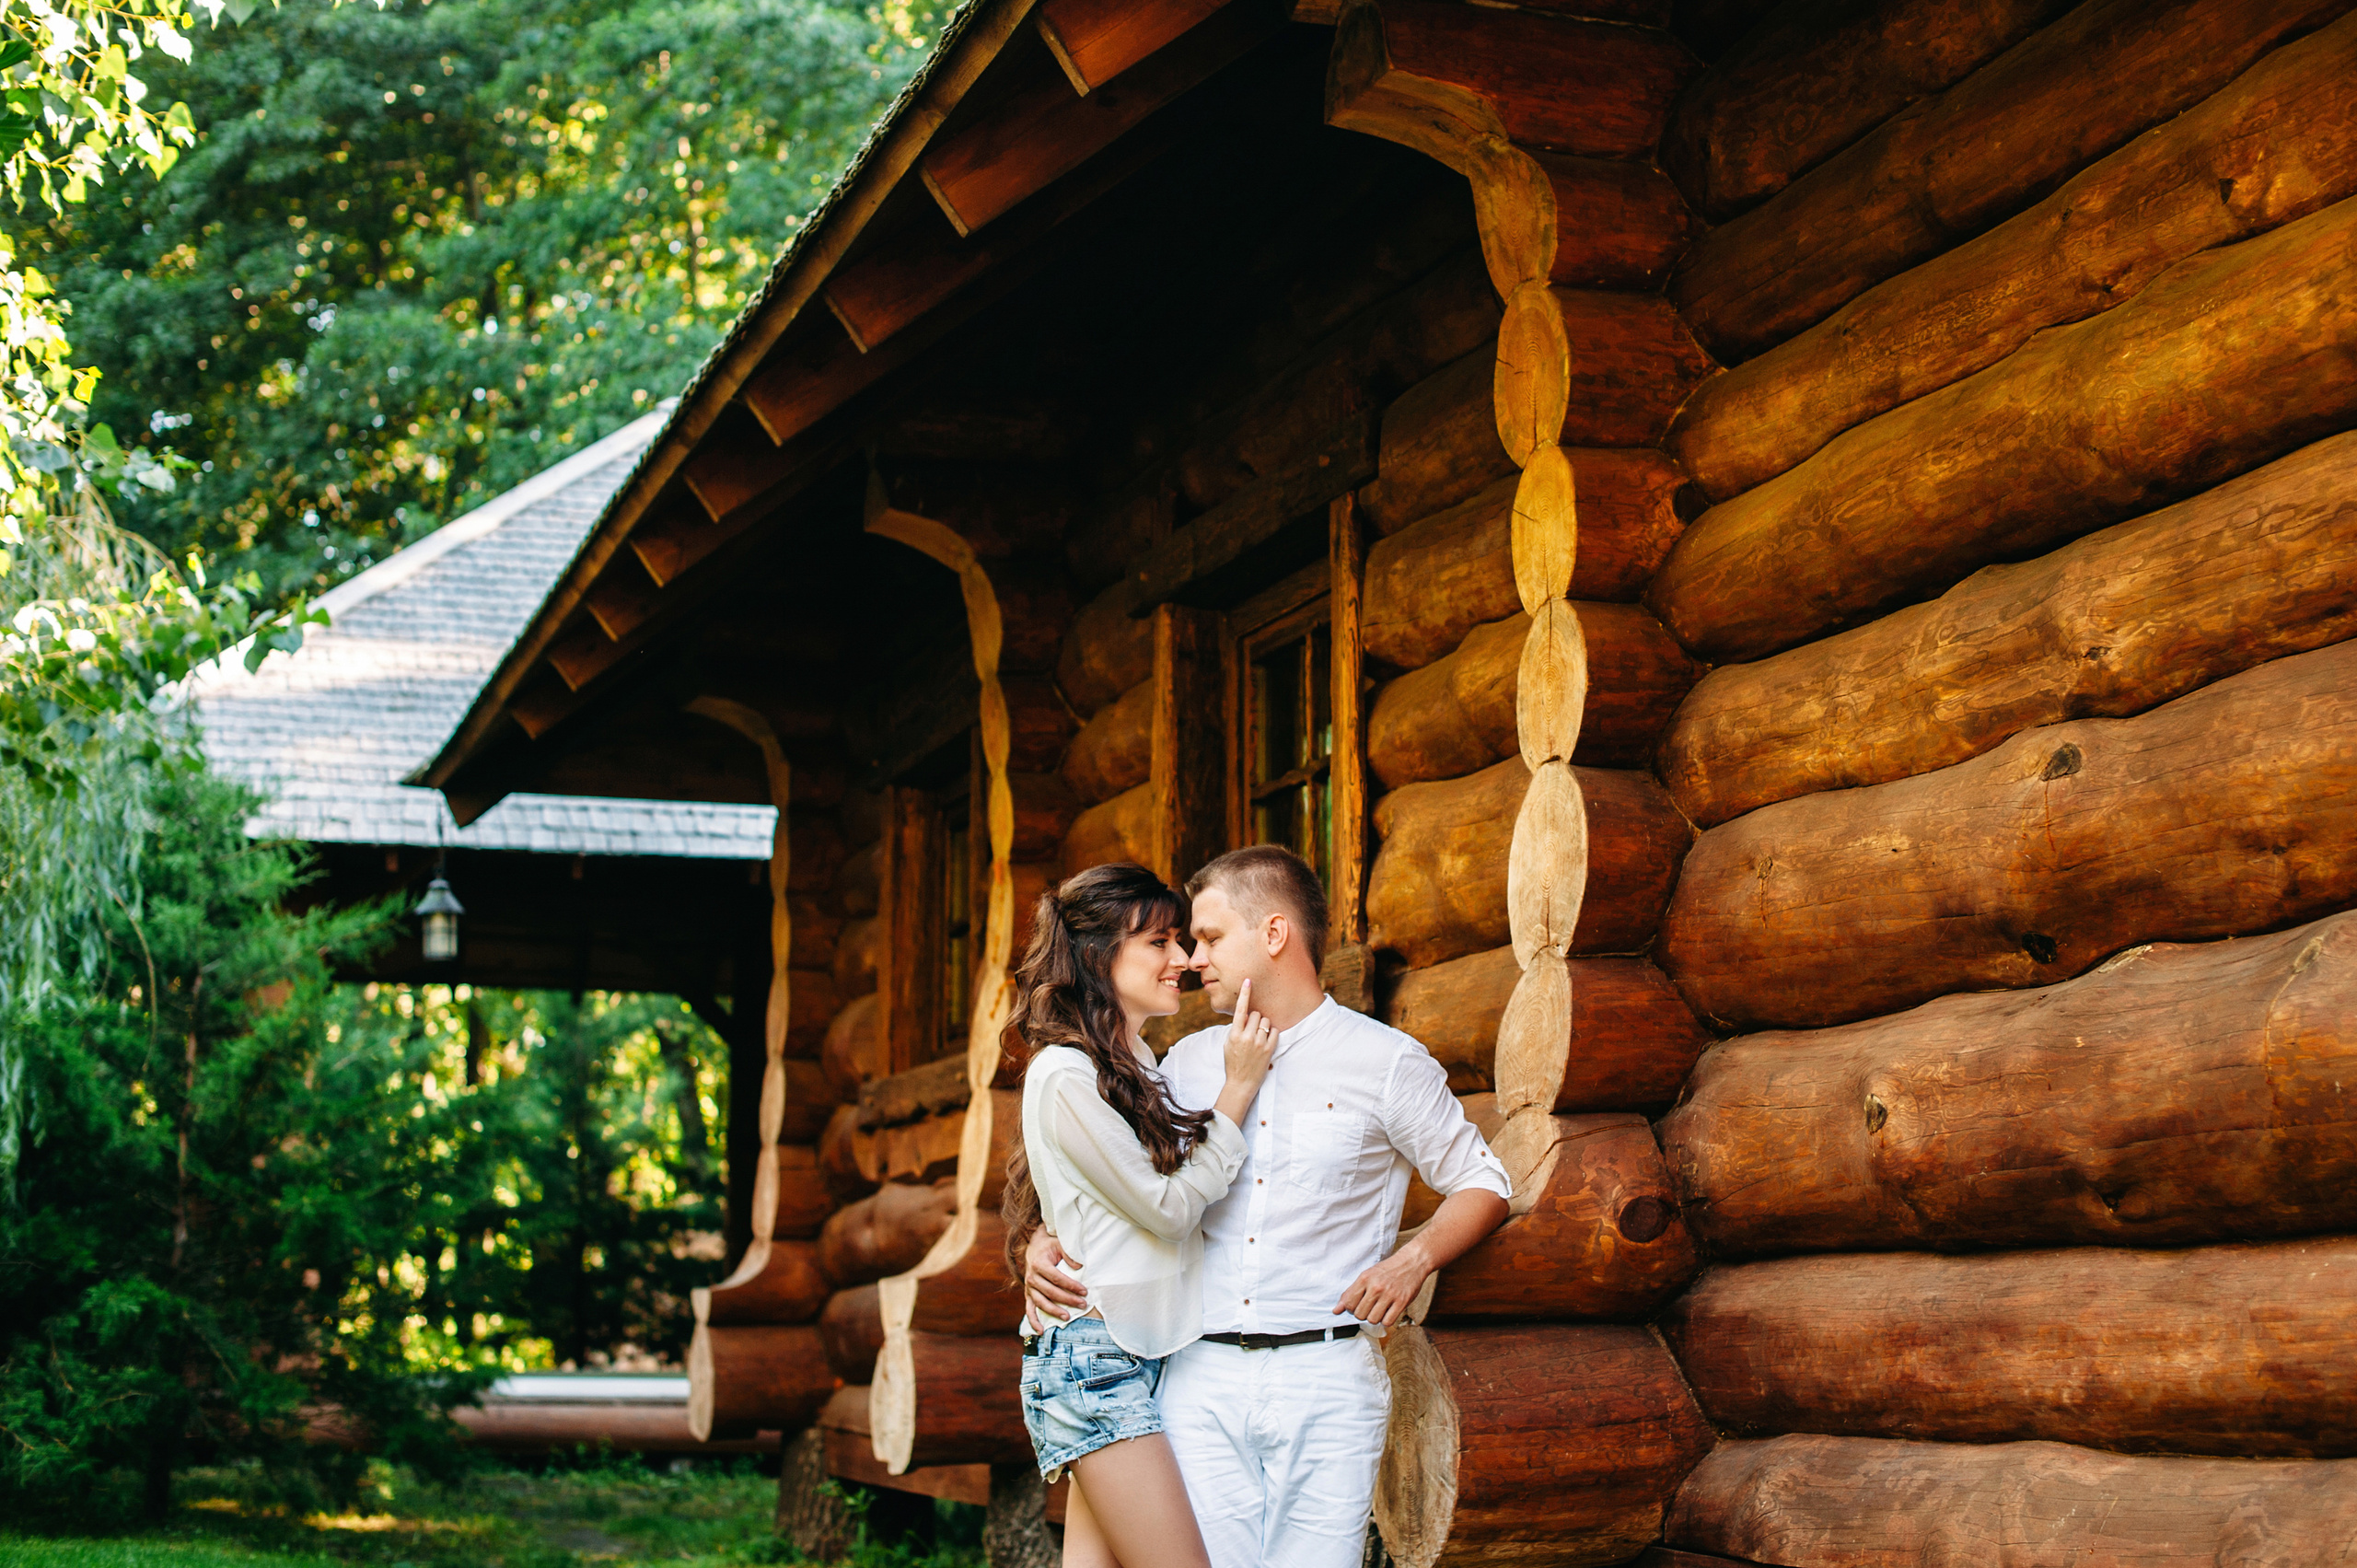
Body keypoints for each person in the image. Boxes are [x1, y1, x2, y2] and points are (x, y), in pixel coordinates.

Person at [1024, 844, 1512, 1568]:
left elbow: (1484, 1181)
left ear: (1275, 934)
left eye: (1210, 937)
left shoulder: (1386, 1061)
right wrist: (1043, 1237)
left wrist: (1415, 1259)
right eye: (1177, 940)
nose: (1191, 958)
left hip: (1328, 1378)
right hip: (1195, 1378)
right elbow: (1105, 1175)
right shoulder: (1182, 1063)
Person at [1001, 862, 1282, 1568]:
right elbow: (1167, 1209)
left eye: (1182, 941)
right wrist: (1238, 1088)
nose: (1184, 960)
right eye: (1160, 942)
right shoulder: (1063, 1073)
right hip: (1096, 1360)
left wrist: (1043, 1235)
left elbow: (1097, 1203)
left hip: (1133, 1351)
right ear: (1100, 954)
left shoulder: (1136, 1062)